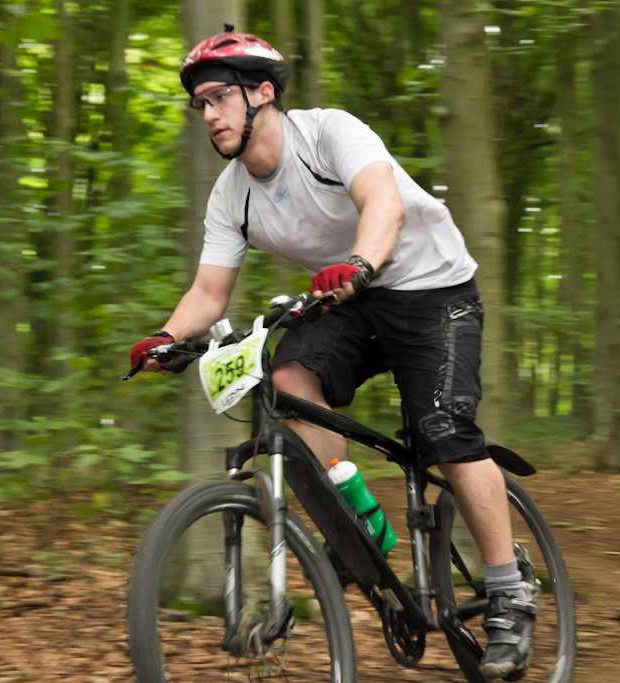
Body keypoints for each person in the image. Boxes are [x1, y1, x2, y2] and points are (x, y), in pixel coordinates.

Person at [128, 27, 538, 680]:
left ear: (263, 93)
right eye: (200, 103)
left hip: (433, 288)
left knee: (443, 430)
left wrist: (360, 261)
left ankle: (509, 591)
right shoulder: (230, 195)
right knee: (288, 379)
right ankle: (361, 524)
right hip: (348, 297)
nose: (208, 114)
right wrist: (165, 337)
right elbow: (209, 292)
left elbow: (384, 205)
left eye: (219, 97)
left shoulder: (328, 134)